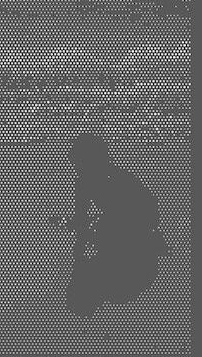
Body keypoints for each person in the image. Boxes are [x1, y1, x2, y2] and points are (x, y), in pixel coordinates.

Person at [66, 134, 167, 316]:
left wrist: (84, 243)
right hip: (130, 237)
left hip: (138, 232)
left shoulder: (115, 178)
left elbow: (145, 212)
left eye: (80, 163)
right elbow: (82, 218)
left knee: (105, 228)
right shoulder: (86, 180)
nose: (77, 168)